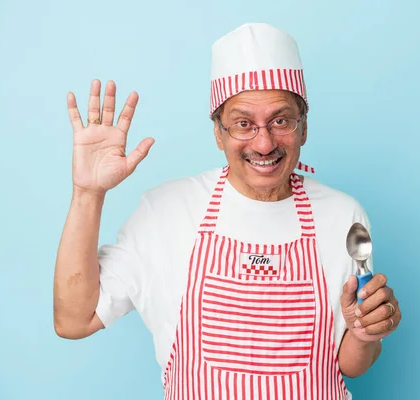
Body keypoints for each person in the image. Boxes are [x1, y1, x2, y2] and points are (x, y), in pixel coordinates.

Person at [53, 22, 401, 399]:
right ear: (218, 132)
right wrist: (87, 193)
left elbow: (350, 365)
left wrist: (366, 332)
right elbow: (74, 320)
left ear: (303, 128)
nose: (264, 143)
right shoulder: (166, 212)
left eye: (281, 120)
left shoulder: (343, 216)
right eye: (243, 124)